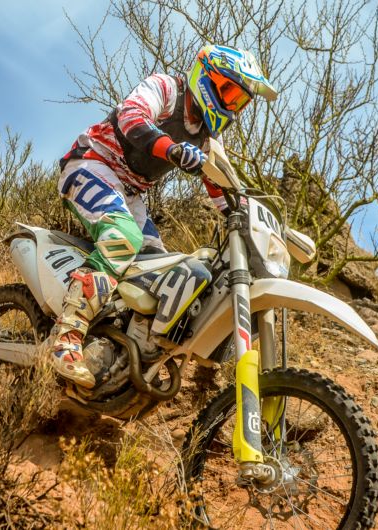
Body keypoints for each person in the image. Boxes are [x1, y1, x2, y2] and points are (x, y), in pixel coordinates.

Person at [53, 44, 277, 387]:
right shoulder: (166, 89)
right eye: (229, 93)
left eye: (239, 102)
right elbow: (131, 117)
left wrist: (256, 220)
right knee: (122, 238)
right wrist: (171, 148)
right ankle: (67, 336)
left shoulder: (206, 139)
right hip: (92, 164)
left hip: (130, 193)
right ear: (207, 77)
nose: (231, 106)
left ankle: (121, 350)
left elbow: (223, 192)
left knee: (160, 271)